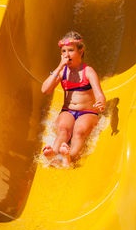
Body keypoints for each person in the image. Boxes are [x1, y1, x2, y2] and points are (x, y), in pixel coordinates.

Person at [41, 31, 106, 163]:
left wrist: (101, 102)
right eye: (63, 51)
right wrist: (59, 67)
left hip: (87, 112)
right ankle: (54, 152)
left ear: (81, 51)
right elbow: (45, 90)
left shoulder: (88, 71)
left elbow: (99, 94)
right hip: (68, 111)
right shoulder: (63, 71)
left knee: (79, 131)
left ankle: (71, 156)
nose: (66, 55)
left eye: (70, 50)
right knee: (64, 129)